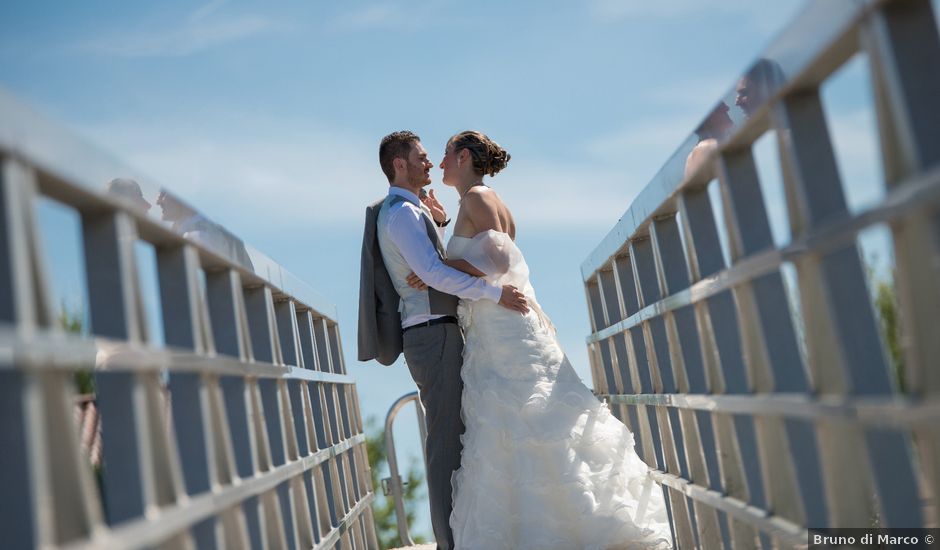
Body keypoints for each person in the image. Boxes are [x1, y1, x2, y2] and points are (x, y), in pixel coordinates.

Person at [408, 130, 673, 549]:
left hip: (500, 326)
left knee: (516, 416)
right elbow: (490, 250)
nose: (439, 165)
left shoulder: (477, 196)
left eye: (444, 155)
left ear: (462, 157)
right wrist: (443, 226)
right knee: (526, 416)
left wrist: (437, 265)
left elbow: (497, 260)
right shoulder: (483, 201)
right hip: (502, 322)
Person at [357, 131, 528, 550]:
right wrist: (493, 292)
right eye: (421, 157)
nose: (430, 163)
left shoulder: (415, 212)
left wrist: (440, 232)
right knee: (445, 443)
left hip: (441, 330)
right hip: (432, 333)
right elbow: (432, 274)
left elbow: (443, 264)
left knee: (458, 435)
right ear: (400, 164)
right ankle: (450, 542)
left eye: (435, 156)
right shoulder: (401, 215)